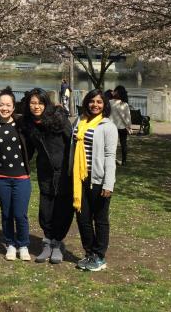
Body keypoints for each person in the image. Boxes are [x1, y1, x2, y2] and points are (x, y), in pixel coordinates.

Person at [20, 88, 73, 264]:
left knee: (63, 209)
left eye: (40, 103)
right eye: (33, 103)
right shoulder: (29, 124)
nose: (36, 106)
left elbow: (72, 143)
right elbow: (28, 149)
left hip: (64, 172)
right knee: (46, 209)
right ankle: (48, 242)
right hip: (45, 173)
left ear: (46, 103)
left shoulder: (59, 119)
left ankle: (58, 243)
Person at [69, 89, 118, 272]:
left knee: (100, 219)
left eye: (99, 102)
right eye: (92, 101)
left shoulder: (107, 126)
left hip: (98, 179)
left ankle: (99, 255)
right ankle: (89, 252)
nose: (95, 105)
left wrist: (108, 183)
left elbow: (110, 156)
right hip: (78, 177)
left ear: (105, 105)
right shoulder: (79, 122)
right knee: (82, 218)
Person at [0, 89, 31, 261]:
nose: (4, 108)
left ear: (13, 107)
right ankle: (10, 244)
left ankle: (23, 244)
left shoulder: (21, 125)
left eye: (8, 105)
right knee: (6, 213)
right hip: (2, 178)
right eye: (1, 104)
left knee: (20, 214)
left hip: (21, 178)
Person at [110, 85, 132, 165]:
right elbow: (128, 117)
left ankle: (112, 160)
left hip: (112, 126)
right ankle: (124, 161)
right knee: (123, 144)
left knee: (112, 144)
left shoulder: (110, 102)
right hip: (122, 127)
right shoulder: (125, 104)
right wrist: (129, 126)